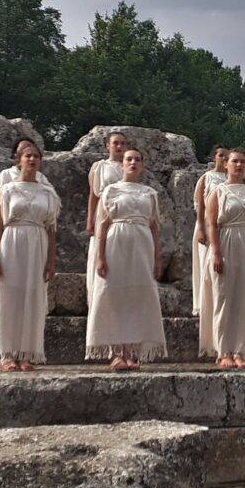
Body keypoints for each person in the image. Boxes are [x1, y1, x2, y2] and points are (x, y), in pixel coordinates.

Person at [0, 142, 60, 372]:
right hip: (11, 242)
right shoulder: (7, 190)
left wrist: (51, 262)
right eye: (28, 156)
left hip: (37, 243)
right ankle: (6, 354)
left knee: (31, 298)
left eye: (36, 156)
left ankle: (26, 353)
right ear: (18, 160)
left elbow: (51, 229)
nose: (32, 160)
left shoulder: (48, 193)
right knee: (8, 296)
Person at [88, 149, 167, 369]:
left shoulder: (149, 193)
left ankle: (131, 352)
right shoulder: (111, 191)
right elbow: (102, 224)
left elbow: (154, 226)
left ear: (142, 166)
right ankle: (116, 352)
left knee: (137, 296)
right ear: (121, 165)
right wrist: (100, 257)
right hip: (116, 241)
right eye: (128, 159)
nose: (133, 162)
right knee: (115, 294)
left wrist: (156, 258)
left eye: (137, 160)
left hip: (142, 244)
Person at [200, 149, 245, 369]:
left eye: (242, 162)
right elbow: (211, 224)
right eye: (234, 161)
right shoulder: (218, 192)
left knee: (244, 299)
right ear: (226, 164)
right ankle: (223, 351)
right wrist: (217, 252)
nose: (238, 165)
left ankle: (240, 350)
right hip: (226, 242)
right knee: (223, 297)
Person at [85, 131, 127, 304]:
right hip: (104, 211)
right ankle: (98, 296)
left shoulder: (128, 164)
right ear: (107, 145)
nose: (119, 146)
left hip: (123, 213)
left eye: (122, 143)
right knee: (101, 250)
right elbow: (93, 195)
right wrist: (89, 220)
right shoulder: (100, 167)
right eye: (115, 143)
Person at [191, 145, 229, 316]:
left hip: (226, 227)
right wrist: (200, 227)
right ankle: (203, 304)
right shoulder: (207, 177)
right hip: (207, 225)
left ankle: (220, 300)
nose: (224, 159)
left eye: (227, 156)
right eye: (221, 155)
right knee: (206, 263)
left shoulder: (232, 179)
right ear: (214, 158)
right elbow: (200, 205)